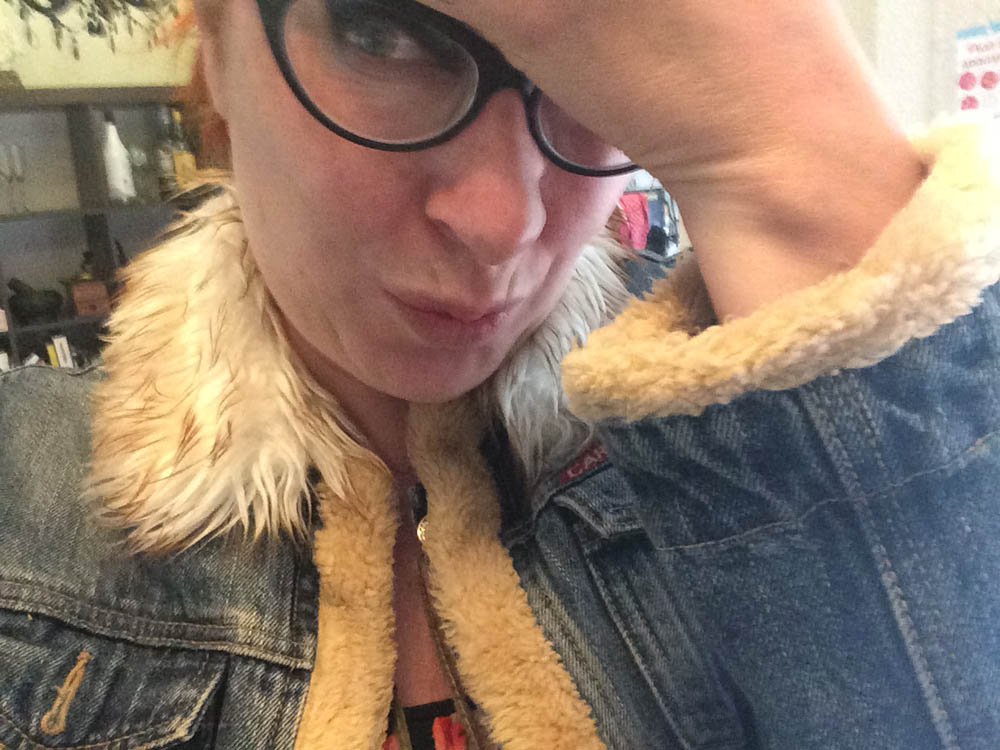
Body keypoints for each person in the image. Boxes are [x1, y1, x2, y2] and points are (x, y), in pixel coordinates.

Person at [1, 0, 999, 748]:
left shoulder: (750, 446)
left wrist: (792, 166)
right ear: (214, 46)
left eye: (589, 75)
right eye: (382, 32)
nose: (501, 221)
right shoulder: (20, 498)